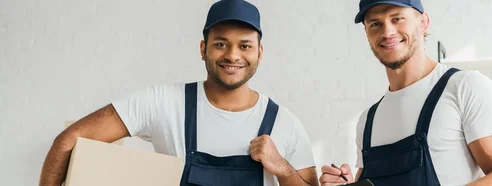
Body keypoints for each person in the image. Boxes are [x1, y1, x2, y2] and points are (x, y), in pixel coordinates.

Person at [39, 0, 318, 185]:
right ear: (202, 49)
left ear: (260, 52)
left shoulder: (285, 123)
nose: (233, 55)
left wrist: (281, 167)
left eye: (245, 46)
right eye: (221, 44)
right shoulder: (163, 103)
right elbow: (67, 141)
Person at [319, 0, 492, 185]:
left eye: (397, 18)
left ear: (423, 22)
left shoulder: (464, 87)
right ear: (367, 33)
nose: (387, 32)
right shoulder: (367, 121)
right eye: (375, 24)